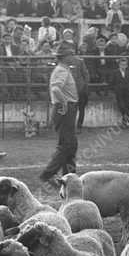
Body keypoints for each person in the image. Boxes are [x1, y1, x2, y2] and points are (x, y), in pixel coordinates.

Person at [40, 41, 79, 188]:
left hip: (66, 108)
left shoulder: (63, 69)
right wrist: (63, 104)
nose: (74, 57)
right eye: (71, 54)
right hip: (65, 109)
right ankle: (49, 174)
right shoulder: (62, 71)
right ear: (65, 57)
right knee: (67, 144)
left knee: (70, 144)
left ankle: (69, 175)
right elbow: (56, 89)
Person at [109, 58, 129, 128]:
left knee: (127, 106)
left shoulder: (128, 72)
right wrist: (115, 89)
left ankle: (125, 123)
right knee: (122, 106)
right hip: (119, 92)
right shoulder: (115, 72)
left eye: (125, 65)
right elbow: (111, 82)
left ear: (126, 66)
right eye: (122, 65)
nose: (123, 66)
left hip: (127, 92)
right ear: (119, 65)